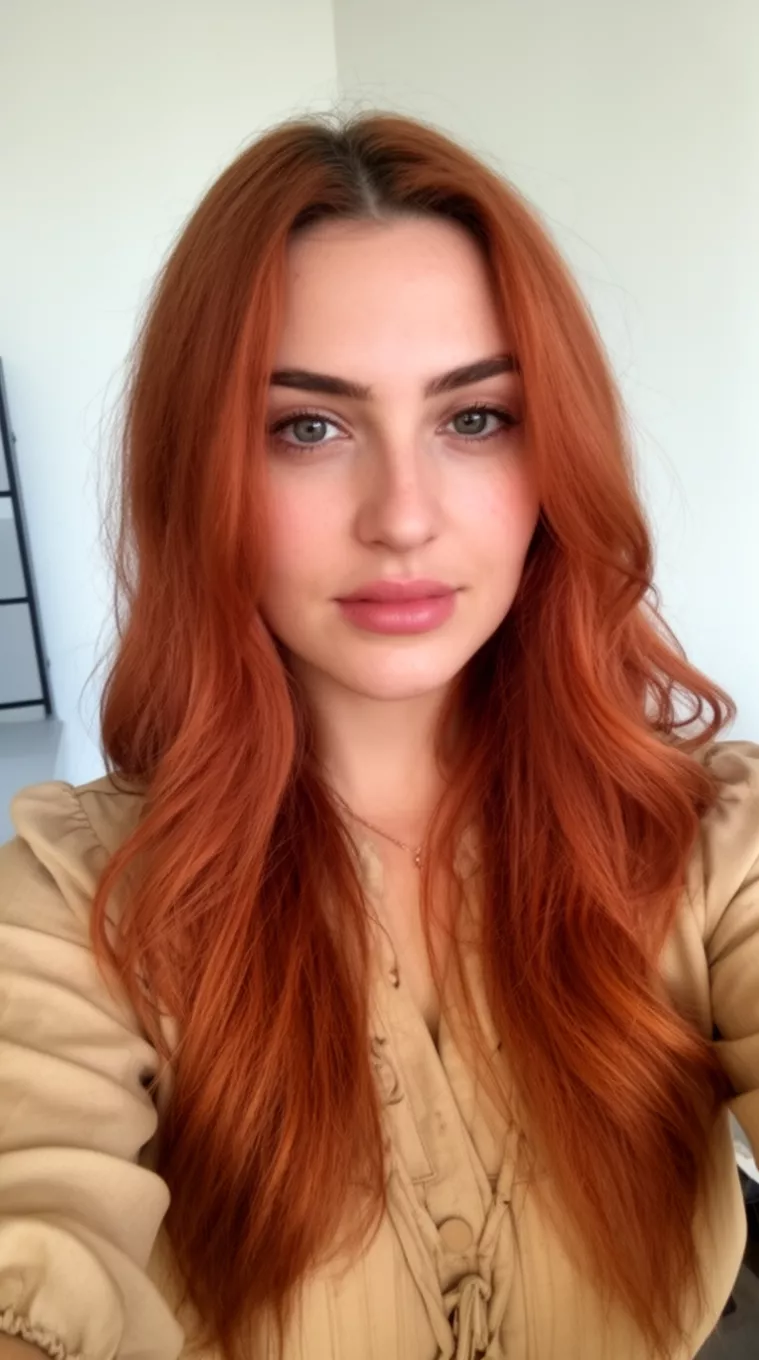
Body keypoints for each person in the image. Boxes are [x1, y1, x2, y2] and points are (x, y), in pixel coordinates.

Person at [0, 107, 757, 1360]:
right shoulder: (78, 905)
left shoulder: (706, 840)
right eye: (307, 427)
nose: (402, 517)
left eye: (476, 419)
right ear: (203, 472)